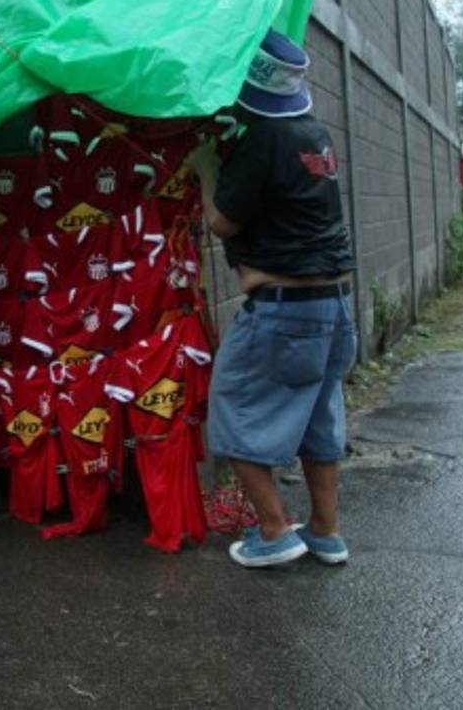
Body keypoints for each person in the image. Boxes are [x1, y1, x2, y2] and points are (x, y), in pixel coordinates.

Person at [186, 29, 358, 568]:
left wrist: (205, 170)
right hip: (333, 308)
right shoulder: (315, 134)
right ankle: (326, 533)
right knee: (318, 417)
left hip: (283, 313)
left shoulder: (264, 141)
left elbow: (220, 220)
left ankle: (275, 529)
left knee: (232, 412)